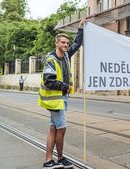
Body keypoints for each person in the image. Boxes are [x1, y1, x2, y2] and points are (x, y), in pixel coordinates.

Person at [38, 18, 86, 169]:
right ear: (56, 43)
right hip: (55, 100)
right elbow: (49, 81)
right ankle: (59, 159)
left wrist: (81, 29)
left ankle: (48, 161)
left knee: (54, 128)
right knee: (62, 128)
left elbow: (77, 44)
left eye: (66, 43)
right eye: (62, 42)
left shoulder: (65, 55)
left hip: (61, 98)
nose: (65, 45)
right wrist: (65, 86)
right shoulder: (51, 60)